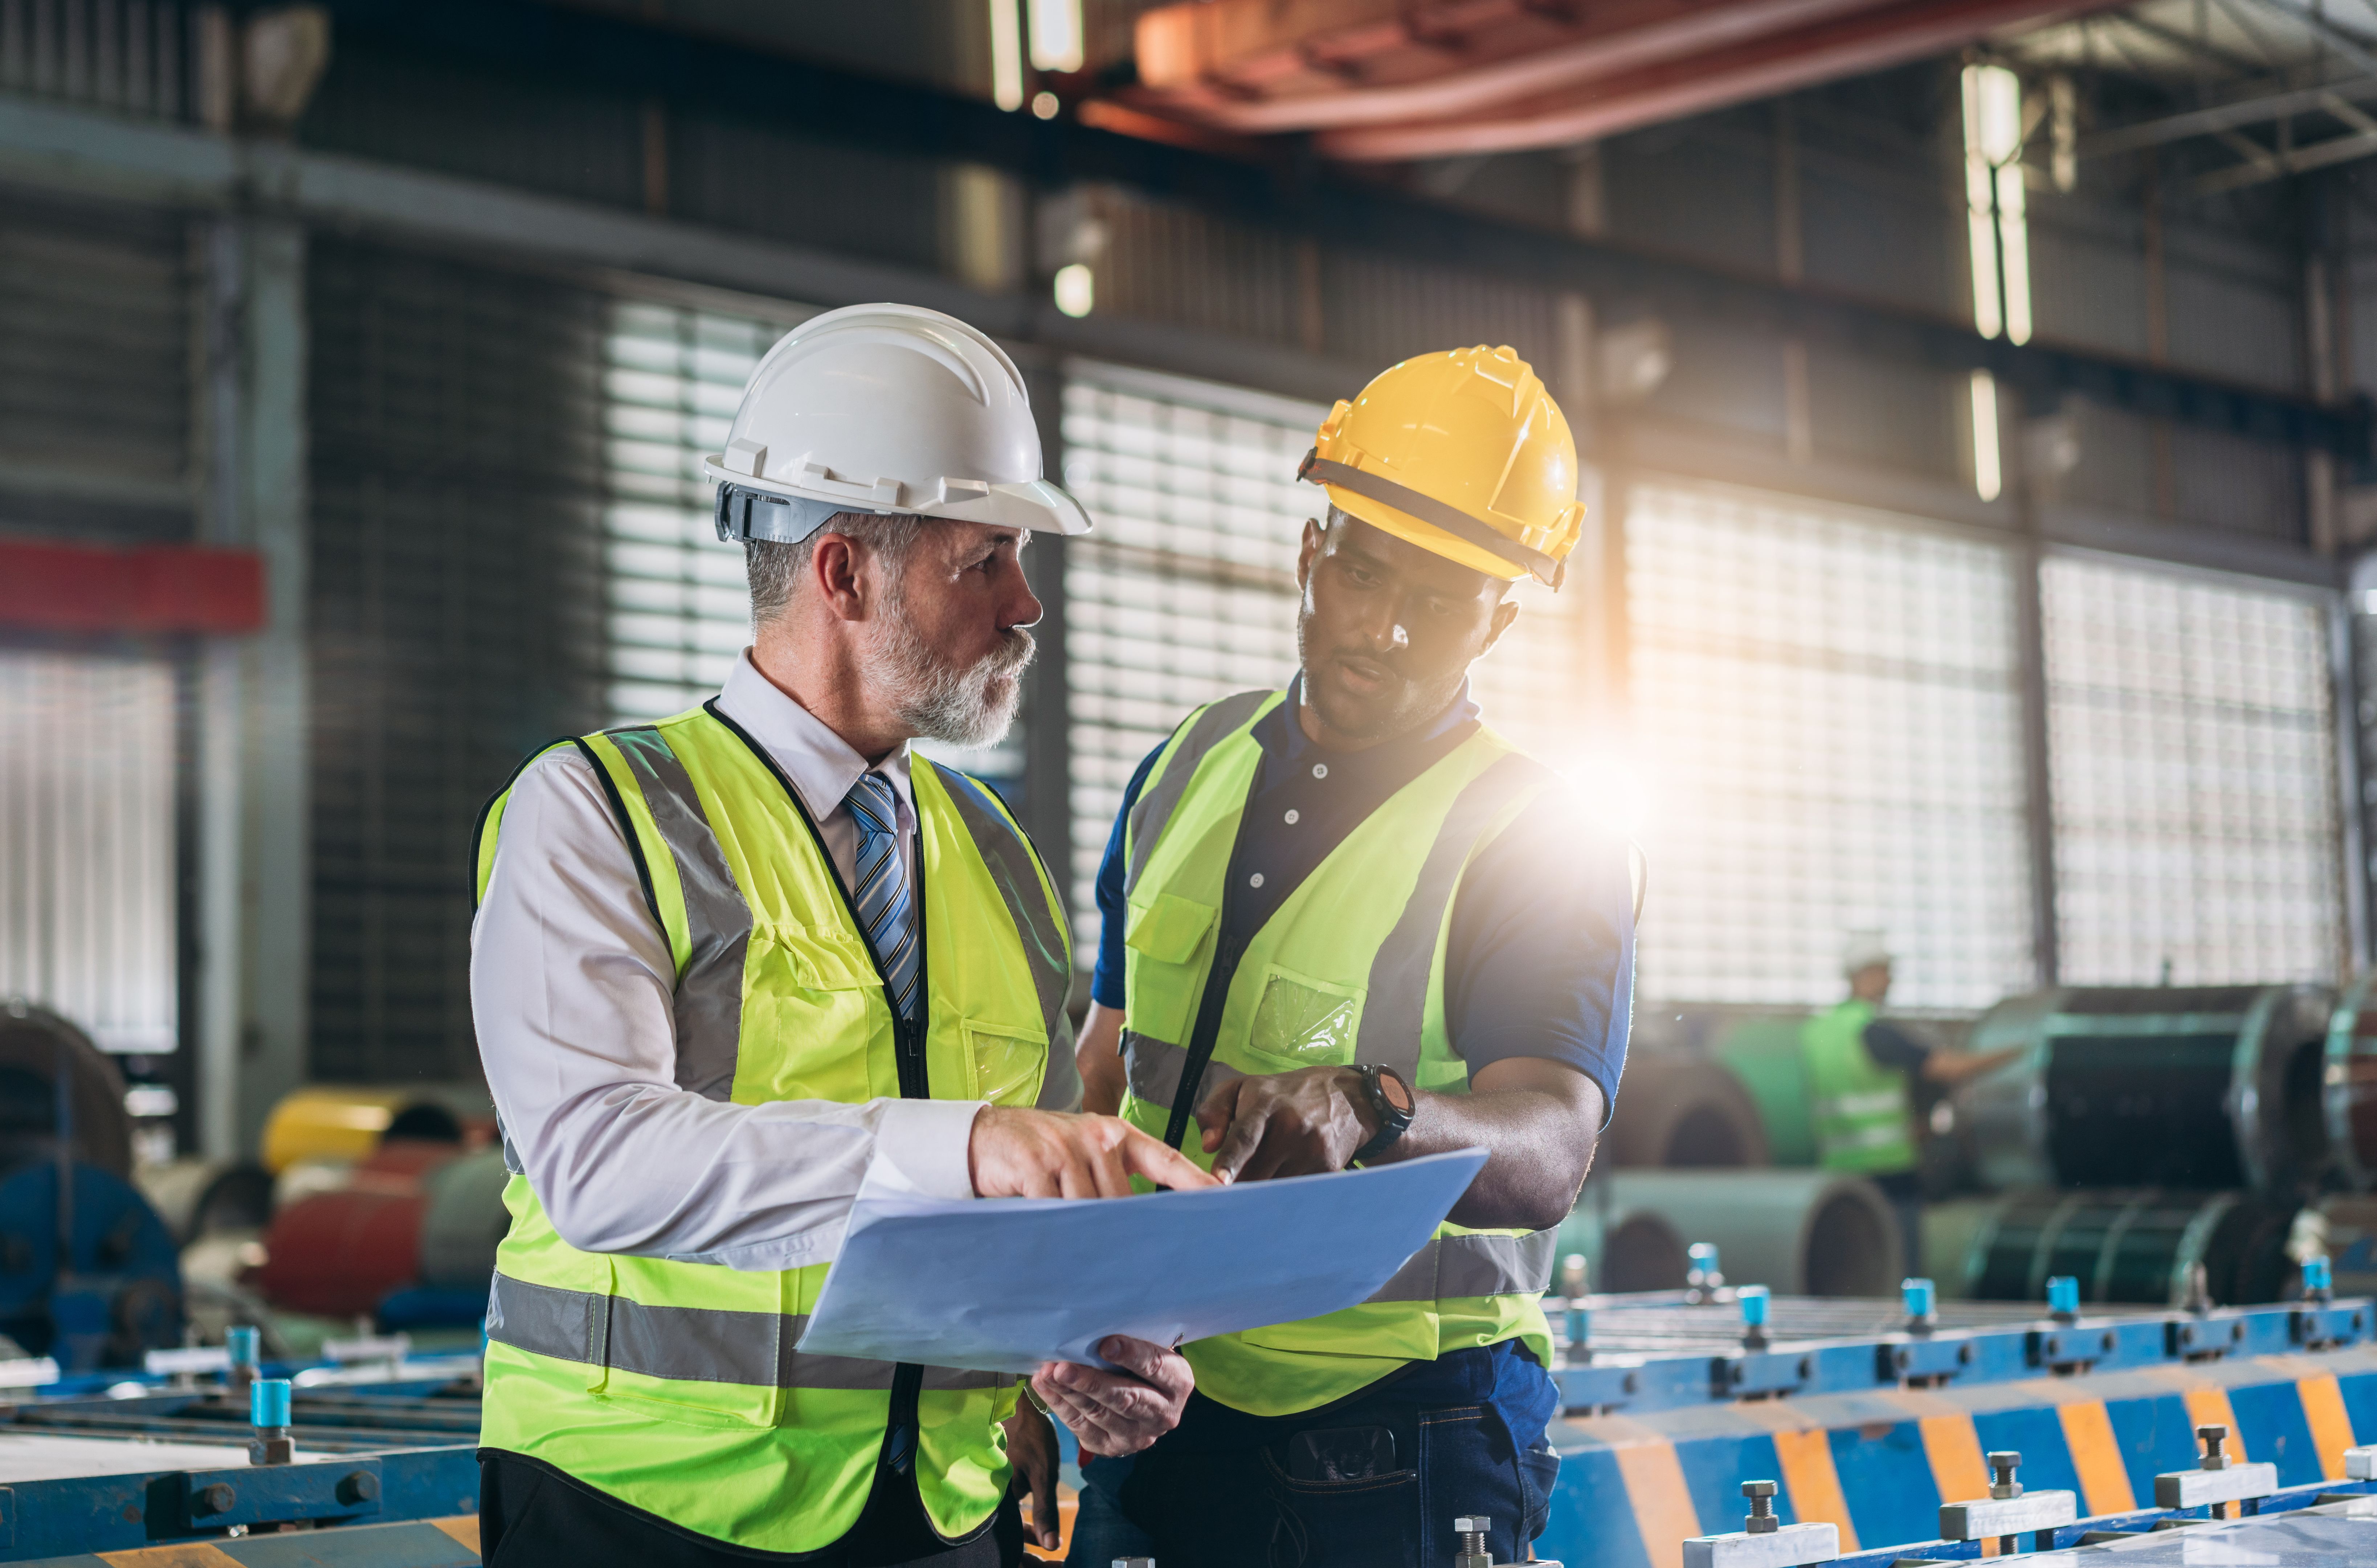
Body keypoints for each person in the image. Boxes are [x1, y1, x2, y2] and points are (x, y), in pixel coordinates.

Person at [468, 304, 1214, 1568]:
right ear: (842, 573)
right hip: (643, 1508)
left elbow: (1021, 1206)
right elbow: (596, 1164)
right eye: (983, 558)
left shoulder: (993, 854)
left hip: (936, 1514)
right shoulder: (596, 812)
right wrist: (961, 1146)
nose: (1026, 604)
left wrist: (1080, 1358)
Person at [1070, 345, 1636, 1568]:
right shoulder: (1185, 764)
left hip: (1402, 1436)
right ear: (1307, 558)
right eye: (1361, 571)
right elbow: (1104, 1065)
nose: (1382, 625)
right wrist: (1045, 1339)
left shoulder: (1540, 836)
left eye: (1436, 599)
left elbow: (1546, 1152)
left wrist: (1370, 1110)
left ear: (1495, 614)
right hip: (1151, 1403)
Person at [1802, 932, 2020, 1274]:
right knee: (1902, 1270)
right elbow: (1946, 1069)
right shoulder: (1873, 1031)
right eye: (1885, 972)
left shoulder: (1817, 1033)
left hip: (1839, 1173)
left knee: (1856, 1270)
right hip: (1890, 1174)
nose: (1889, 981)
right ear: (1867, 974)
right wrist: (2016, 1052)